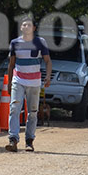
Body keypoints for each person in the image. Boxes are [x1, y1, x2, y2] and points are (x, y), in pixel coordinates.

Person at [6, 17, 52, 152]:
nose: (26, 27)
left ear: (34, 29)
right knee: (14, 107)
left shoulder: (40, 42)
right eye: (24, 25)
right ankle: (13, 139)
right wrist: (9, 82)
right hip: (18, 79)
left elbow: (48, 61)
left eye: (29, 25)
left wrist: (48, 76)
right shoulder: (15, 43)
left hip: (34, 82)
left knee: (32, 112)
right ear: (21, 28)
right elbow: (11, 64)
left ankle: (29, 140)